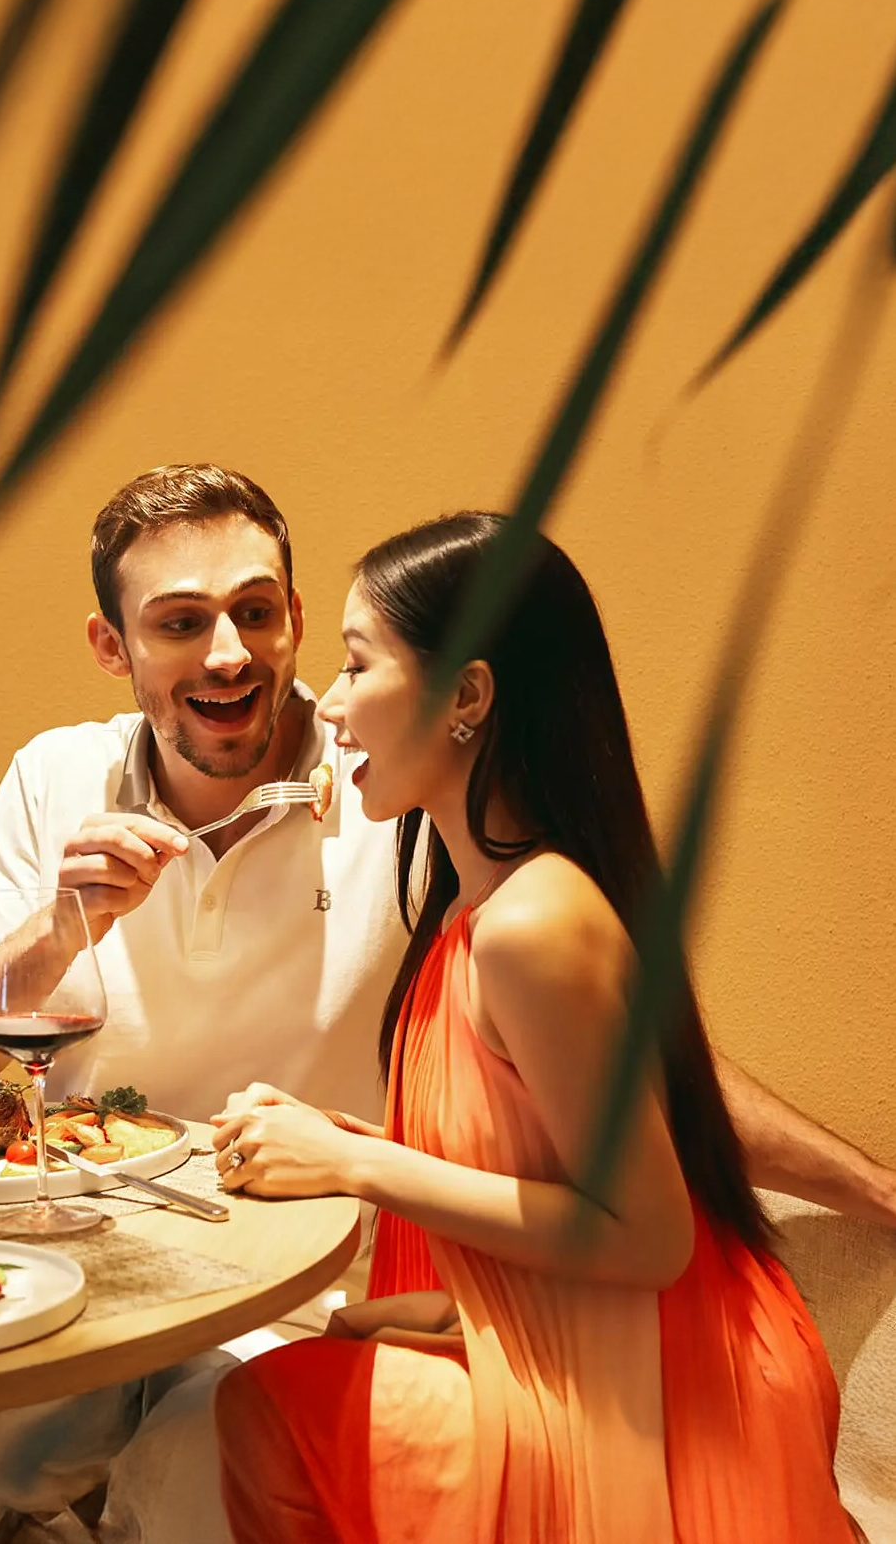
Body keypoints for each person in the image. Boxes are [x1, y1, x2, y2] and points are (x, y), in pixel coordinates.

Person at [0, 470, 885, 1544]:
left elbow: (633, 1075)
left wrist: (872, 1191)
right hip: (81, 1278)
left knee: (192, 1464)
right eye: (179, 623)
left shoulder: (413, 802)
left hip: (293, 1303)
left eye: (257, 614)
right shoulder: (56, 777)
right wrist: (60, 927)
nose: (229, 654)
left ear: (292, 620)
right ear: (114, 648)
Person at [204, 512, 861, 1543]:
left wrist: (356, 1166)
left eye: (354, 663)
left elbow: (646, 1236)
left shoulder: (531, 922)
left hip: (678, 1389)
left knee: (269, 1410)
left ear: (466, 695)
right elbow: (534, 1151)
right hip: (600, 1345)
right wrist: (345, 1146)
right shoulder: (477, 912)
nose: (326, 707)